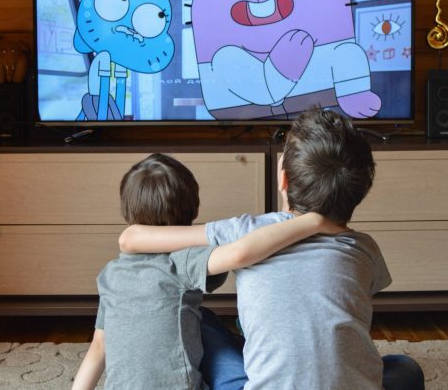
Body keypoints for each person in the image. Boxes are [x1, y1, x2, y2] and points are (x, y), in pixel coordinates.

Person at [119, 108, 425, 390]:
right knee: (405, 368)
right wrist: (318, 222)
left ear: (283, 178)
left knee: (203, 321)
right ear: (359, 191)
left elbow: (131, 238)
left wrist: (312, 222)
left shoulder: (243, 231)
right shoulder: (364, 249)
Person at [72, 152, 343, 390]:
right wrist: (314, 222)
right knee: (207, 323)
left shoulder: (110, 274)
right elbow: (239, 253)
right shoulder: (183, 262)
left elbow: (98, 347)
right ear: (193, 208)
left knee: (202, 318)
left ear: (127, 210)